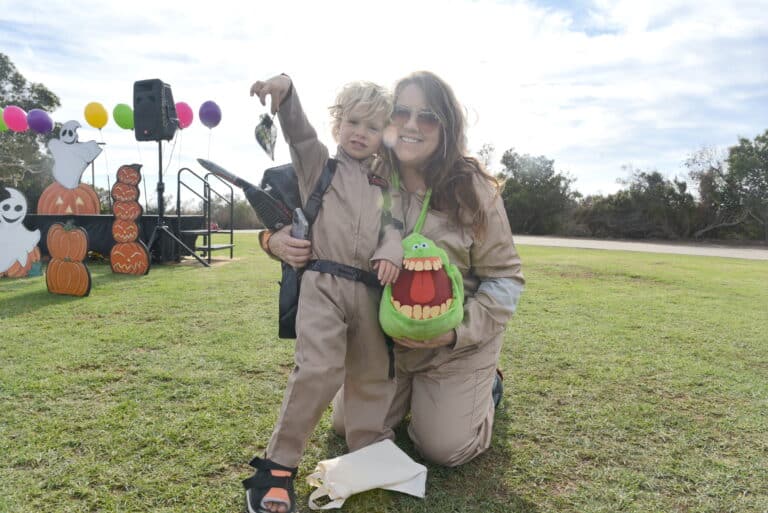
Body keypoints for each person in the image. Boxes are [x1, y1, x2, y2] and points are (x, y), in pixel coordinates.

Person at [265, 70, 524, 469]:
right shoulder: (369, 169)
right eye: (402, 112)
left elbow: (506, 279)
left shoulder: (473, 189)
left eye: (428, 116)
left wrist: (457, 332)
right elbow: (298, 205)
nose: (412, 124)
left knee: (442, 447)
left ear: (447, 125)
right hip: (390, 342)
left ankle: (486, 386)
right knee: (344, 426)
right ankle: (418, 395)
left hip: (454, 345)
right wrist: (272, 241)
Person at [243, 75, 403, 513]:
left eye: (372, 127)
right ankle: (277, 467)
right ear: (338, 125)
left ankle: (369, 450)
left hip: (370, 293)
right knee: (318, 370)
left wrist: (391, 249)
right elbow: (299, 133)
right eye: (353, 122)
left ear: (382, 136)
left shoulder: (383, 186)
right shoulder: (318, 166)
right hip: (322, 282)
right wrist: (287, 92)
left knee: (374, 373)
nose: (360, 133)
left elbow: (394, 231)